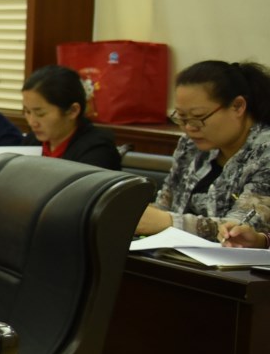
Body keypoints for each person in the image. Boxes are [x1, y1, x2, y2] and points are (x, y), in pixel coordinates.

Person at [135, 59, 270, 241]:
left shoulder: (264, 151)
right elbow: (166, 204)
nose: (189, 127)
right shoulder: (191, 144)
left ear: (238, 106)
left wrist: (169, 222)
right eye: (181, 117)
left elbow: (241, 229)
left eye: (198, 117)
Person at [19, 66, 121, 170]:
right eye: (27, 111)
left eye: (40, 114)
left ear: (73, 111)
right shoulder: (32, 141)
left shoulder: (97, 150)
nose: (32, 122)